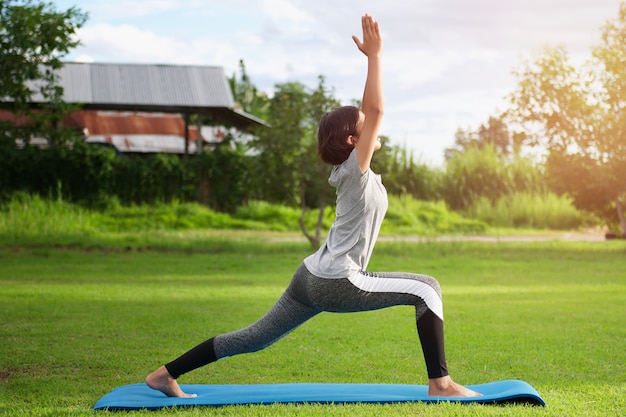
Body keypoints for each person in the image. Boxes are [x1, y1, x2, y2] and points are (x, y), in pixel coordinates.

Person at [146, 14, 481, 399]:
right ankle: (441, 385)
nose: (372, 126)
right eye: (363, 124)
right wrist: (375, 58)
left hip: (310, 276)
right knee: (428, 289)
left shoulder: (352, 171)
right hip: (335, 279)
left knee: (254, 338)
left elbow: (370, 116)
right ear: (354, 139)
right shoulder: (355, 170)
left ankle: (164, 374)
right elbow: (376, 111)